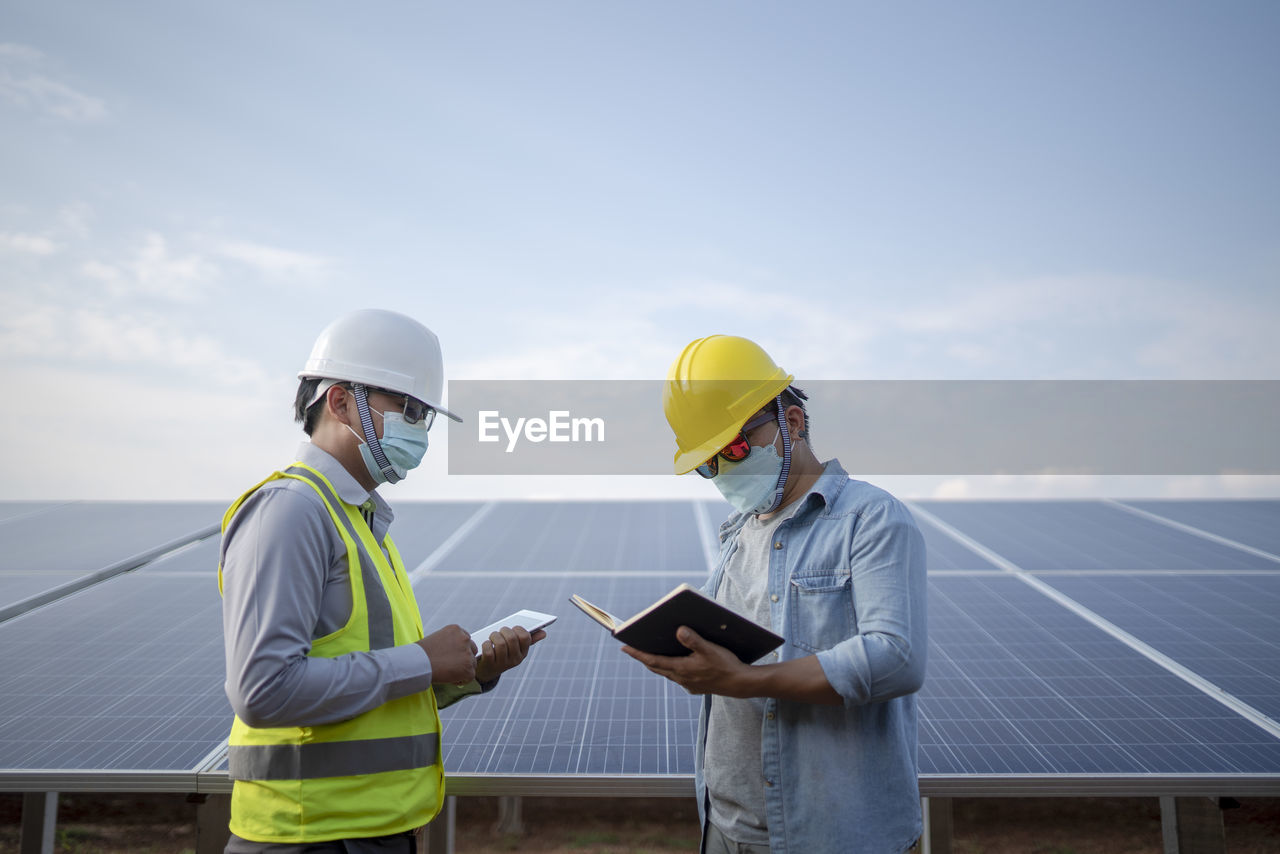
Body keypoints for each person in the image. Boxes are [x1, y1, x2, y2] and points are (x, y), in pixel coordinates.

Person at [217, 309, 544, 853]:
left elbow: (369, 690)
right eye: (409, 409)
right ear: (340, 401)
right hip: (307, 838)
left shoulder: (362, 522)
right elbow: (263, 690)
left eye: (426, 417)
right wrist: (423, 660)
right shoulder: (291, 511)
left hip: (367, 834)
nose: (419, 429)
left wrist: (467, 670)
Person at [624, 334, 928, 854]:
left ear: (790, 423)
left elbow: (896, 658)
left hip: (832, 834)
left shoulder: (870, 519)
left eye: (735, 449)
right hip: (725, 827)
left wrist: (743, 681)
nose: (723, 472)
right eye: (708, 463)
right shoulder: (736, 534)